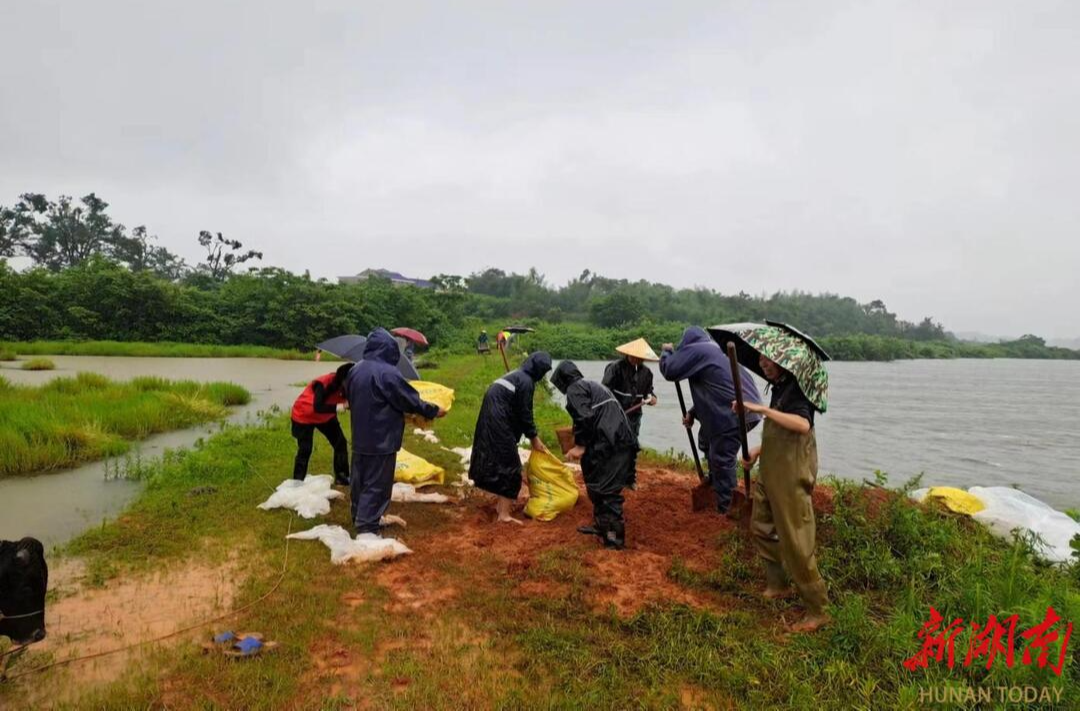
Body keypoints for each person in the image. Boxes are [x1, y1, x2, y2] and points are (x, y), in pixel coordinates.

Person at [735, 353, 829, 633]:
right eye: (762, 360)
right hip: (771, 468)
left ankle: (818, 609)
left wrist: (761, 410)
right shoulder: (779, 386)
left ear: (785, 362)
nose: (763, 364)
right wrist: (757, 450)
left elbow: (802, 425)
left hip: (791, 472)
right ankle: (778, 585)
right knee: (761, 524)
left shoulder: (799, 387)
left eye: (769, 361)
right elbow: (779, 431)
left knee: (796, 538)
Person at [344, 328, 446, 536]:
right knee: (377, 484)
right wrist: (434, 411)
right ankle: (367, 528)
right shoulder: (388, 373)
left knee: (360, 480)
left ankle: (359, 516)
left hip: (360, 436)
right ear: (389, 349)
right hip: (381, 438)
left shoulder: (356, 370)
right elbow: (409, 400)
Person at [659, 327, 763, 513]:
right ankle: (715, 484)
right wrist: (693, 412)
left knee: (721, 458)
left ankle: (727, 508)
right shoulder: (714, 350)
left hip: (735, 410)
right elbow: (715, 388)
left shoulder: (698, 349)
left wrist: (666, 352)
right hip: (743, 407)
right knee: (706, 440)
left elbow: (670, 370)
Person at [551, 360, 638, 550]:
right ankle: (602, 527)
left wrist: (580, 446)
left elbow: (585, 417)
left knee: (607, 491)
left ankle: (614, 541)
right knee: (598, 485)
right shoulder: (592, 385)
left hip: (613, 442)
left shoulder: (575, 389)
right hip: (617, 439)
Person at [469, 352, 553, 524]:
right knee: (511, 466)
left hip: (489, 418)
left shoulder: (516, 375)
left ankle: (501, 507)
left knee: (500, 460)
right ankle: (504, 515)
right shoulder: (526, 381)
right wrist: (534, 438)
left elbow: (515, 411)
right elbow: (525, 413)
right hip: (498, 420)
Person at [290, 362, 352, 485]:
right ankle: (297, 482)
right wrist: (341, 406)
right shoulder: (323, 383)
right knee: (305, 449)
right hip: (304, 415)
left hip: (325, 417)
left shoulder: (350, 387)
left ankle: (341, 476)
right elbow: (318, 406)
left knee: (340, 443)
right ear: (343, 379)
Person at [601, 339, 659, 439]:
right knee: (612, 440)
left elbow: (648, 393)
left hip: (634, 415)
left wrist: (652, 398)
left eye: (640, 358)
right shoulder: (615, 368)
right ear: (628, 354)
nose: (636, 360)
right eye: (634, 356)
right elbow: (604, 391)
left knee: (631, 441)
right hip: (615, 413)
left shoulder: (647, 373)